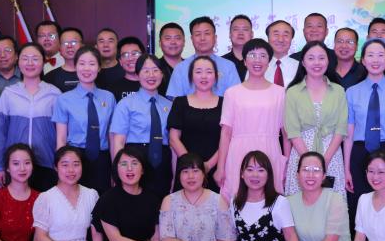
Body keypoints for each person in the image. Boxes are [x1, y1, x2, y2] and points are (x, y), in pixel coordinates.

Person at [344, 39, 385, 231]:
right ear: (363, 60)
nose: (375, 60)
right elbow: (348, 132)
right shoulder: (352, 92)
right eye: (370, 55)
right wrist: (346, 168)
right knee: (359, 206)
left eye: (381, 55)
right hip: (360, 152)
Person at [216, 38, 288, 201]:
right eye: (252, 55)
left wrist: (287, 164)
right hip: (238, 152)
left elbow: (285, 133)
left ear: (269, 62)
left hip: (270, 151)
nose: (257, 60)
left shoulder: (280, 93)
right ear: (244, 60)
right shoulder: (232, 93)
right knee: (237, 199)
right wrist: (220, 167)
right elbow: (226, 133)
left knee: (270, 201)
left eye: (262, 56)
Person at [0, 43, 61, 193]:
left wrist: (60, 164)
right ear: (18, 61)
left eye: (35, 58)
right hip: (16, 166)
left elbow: (62, 134)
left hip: (47, 164)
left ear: (43, 61)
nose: (30, 63)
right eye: (25, 58)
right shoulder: (9, 93)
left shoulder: (54, 94)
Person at [285, 41, 348, 197]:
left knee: (331, 205)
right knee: (300, 204)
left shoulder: (338, 91)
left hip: (331, 155)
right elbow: (292, 131)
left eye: (321, 58)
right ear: (303, 62)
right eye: (311, 58)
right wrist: (309, 162)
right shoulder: (292, 92)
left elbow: (341, 129)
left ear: (328, 61)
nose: (317, 63)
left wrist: (324, 161)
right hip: (301, 154)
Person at [51, 46, 115, 194]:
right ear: (75, 67)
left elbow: (112, 137)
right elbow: (61, 139)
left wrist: (114, 167)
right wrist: (62, 167)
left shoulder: (109, 97)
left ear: (99, 68)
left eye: (92, 64)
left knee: (102, 200)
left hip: (102, 160)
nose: (87, 68)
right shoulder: (64, 99)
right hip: (75, 159)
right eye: (82, 63)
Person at [109, 55, 174, 197]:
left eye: (155, 70)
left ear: (162, 74)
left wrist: (175, 175)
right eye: (146, 70)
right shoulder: (126, 104)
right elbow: (118, 142)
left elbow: (173, 143)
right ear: (138, 75)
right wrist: (117, 172)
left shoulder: (169, 106)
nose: (151, 75)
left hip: (163, 161)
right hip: (135, 160)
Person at [168, 56, 224, 191]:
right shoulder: (179, 102)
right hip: (186, 170)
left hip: (215, 169)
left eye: (209, 72)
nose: (204, 76)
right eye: (198, 72)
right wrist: (193, 166)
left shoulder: (225, 103)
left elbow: (227, 138)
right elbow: (174, 138)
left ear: (216, 76)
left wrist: (208, 165)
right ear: (191, 76)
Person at [165, 16, 242, 97]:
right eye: (198, 34)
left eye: (207, 33)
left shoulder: (228, 66)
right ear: (192, 39)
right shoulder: (181, 68)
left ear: (215, 38)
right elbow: (174, 101)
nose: (202, 38)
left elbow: (236, 98)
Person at [100, 36, 144, 102]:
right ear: (120, 61)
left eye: (134, 53)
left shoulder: (153, 84)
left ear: (143, 57)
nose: (130, 58)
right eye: (125, 55)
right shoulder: (111, 89)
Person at [44, 27, 83, 93]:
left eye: (74, 42)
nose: (69, 46)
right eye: (65, 43)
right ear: (60, 48)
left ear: (82, 46)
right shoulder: (49, 77)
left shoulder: (93, 74)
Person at [265, 20, 298, 87]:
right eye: (276, 34)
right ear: (268, 38)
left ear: (291, 39)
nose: (280, 39)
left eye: (286, 35)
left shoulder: (301, 67)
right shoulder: (257, 66)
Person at [222, 14, 251, 80]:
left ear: (252, 34)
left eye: (245, 29)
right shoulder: (220, 62)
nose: (240, 33)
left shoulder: (259, 62)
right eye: (236, 29)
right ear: (230, 34)